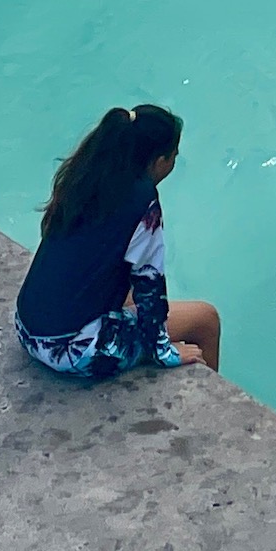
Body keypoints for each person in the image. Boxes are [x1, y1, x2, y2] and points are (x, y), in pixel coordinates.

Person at [14, 106, 223, 378]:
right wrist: (164, 351)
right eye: (173, 156)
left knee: (127, 296)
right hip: (71, 351)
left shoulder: (86, 177)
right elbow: (149, 286)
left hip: (28, 328)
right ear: (160, 161)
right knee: (205, 319)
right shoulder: (143, 200)